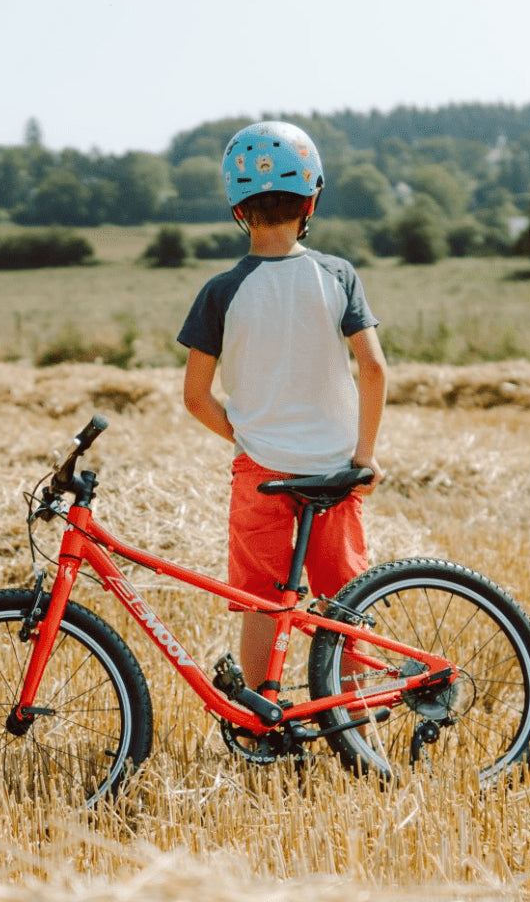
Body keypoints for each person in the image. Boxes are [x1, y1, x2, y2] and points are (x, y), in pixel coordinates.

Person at [175, 120, 389, 690]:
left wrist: (251, 435)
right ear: (312, 198)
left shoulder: (220, 290)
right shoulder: (337, 275)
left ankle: (261, 718)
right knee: (345, 602)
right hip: (334, 466)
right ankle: (354, 723)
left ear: (237, 208)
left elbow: (196, 398)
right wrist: (364, 455)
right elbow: (373, 368)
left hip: (261, 470)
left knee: (261, 600)